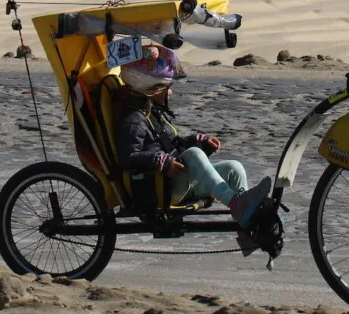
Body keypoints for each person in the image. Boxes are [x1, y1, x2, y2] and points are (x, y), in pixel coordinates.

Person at [113, 45, 273, 240]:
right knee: (193, 155)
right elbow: (128, 158)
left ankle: (247, 227)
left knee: (234, 168)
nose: (169, 94)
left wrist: (198, 140)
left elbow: (172, 143)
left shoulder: (150, 111)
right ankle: (236, 204)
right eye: (166, 88)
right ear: (151, 89)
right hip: (157, 188)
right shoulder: (133, 120)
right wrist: (159, 161)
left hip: (176, 182)